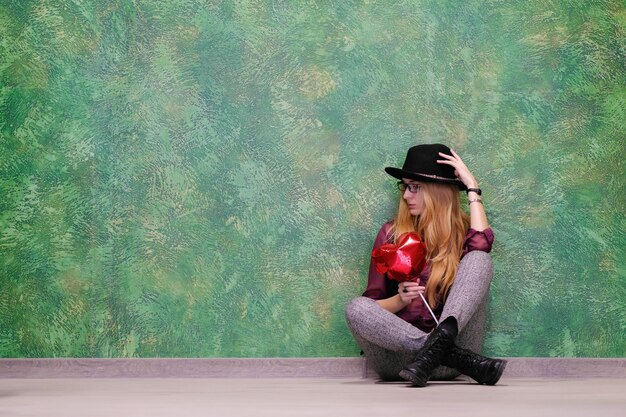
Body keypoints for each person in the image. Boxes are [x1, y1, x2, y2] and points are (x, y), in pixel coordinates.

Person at [345, 143, 506, 387]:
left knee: (479, 258)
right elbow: (371, 307)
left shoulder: (465, 233)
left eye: (414, 188)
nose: (406, 195)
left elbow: (482, 244)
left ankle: (442, 349)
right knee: (356, 308)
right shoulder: (391, 233)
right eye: (405, 187)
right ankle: (445, 351)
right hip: (403, 363)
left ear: (438, 191)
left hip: (447, 366)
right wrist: (400, 300)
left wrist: (471, 186)